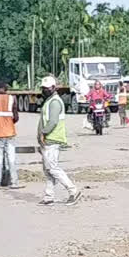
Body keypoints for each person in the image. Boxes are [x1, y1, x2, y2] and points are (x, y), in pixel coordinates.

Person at [37, 76, 81, 206]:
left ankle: (73, 190)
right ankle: (49, 196)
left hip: (53, 138)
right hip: (48, 139)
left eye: (47, 88)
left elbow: (53, 121)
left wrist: (43, 133)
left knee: (52, 168)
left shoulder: (55, 102)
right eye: (43, 88)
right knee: (48, 170)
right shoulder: (49, 101)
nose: (45, 90)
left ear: (53, 88)